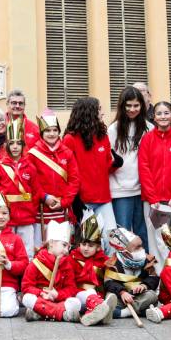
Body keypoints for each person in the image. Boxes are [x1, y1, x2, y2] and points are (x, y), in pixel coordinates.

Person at [137, 101, 171, 264]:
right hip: (153, 202)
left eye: (166, 113)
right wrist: (153, 199)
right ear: (154, 117)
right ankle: (159, 277)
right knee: (154, 240)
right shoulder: (147, 139)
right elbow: (143, 168)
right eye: (159, 113)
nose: (163, 116)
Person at [62, 97, 119, 241]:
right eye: (99, 109)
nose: (102, 113)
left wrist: (115, 164)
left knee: (111, 239)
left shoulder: (103, 136)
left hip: (103, 198)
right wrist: (74, 199)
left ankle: (108, 264)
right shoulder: (70, 139)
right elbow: (67, 172)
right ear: (89, 112)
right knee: (88, 242)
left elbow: (104, 167)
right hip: (82, 201)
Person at [0, 117, 43, 253]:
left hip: (26, 217)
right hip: (7, 219)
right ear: (7, 145)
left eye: (19, 143)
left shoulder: (30, 167)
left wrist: (31, 209)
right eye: (11, 143)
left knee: (27, 251)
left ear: (23, 145)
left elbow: (36, 192)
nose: (15, 146)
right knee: (7, 251)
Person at [108, 88, 150, 247]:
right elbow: (109, 160)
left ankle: (145, 267)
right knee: (123, 233)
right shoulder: (113, 129)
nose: (132, 109)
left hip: (142, 190)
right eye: (128, 105)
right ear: (122, 106)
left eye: (136, 105)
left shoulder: (149, 128)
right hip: (120, 190)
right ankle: (123, 270)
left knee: (142, 231)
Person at [30, 111, 81, 240]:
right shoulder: (32, 154)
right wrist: (44, 197)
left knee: (62, 247)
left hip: (62, 209)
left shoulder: (67, 153)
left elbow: (74, 180)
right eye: (47, 130)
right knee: (42, 248)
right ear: (42, 133)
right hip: (41, 209)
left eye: (54, 130)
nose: (52, 134)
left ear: (59, 131)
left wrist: (64, 201)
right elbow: (31, 181)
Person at [21, 221, 81, 322]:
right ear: (52, 243)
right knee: (27, 298)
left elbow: (71, 289)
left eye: (69, 247)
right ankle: (62, 314)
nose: (67, 250)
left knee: (76, 302)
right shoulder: (35, 263)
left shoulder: (67, 264)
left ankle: (41, 313)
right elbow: (26, 287)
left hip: (58, 300)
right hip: (41, 298)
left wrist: (57, 295)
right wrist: (41, 293)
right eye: (64, 245)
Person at [101, 226, 159, 320]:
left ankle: (124, 312)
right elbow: (108, 283)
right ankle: (140, 310)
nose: (142, 250)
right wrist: (122, 292)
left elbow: (154, 277)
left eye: (141, 246)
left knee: (152, 295)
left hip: (139, 296)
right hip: (120, 296)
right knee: (110, 297)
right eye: (137, 248)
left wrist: (144, 285)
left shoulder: (147, 260)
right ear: (124, 251)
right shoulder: (112, 263)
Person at [72, 216, 115, 326]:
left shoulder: (104, 260)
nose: (86, 248)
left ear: (98, 247)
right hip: (77, 295)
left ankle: (97, 313)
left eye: (90, 246)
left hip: (98, 293)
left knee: (107, 293)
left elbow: (110, 278)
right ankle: (102, 308)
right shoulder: (72, 258)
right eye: (83, 244)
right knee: (90, 293)